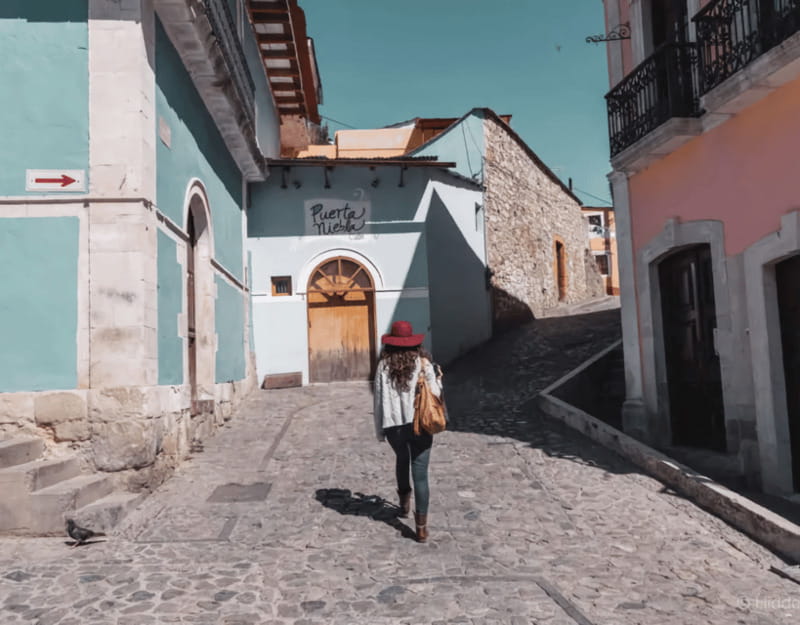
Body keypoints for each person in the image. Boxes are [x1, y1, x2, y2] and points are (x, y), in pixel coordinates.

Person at [373, 320, 442, 543]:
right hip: (420, 424)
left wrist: (380, 431)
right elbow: (435, 394)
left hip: (394, 426)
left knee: (402, 459)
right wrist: (438, 379)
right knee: (420, 473)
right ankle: (421, 528)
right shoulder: (423, 364)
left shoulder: (383, 366)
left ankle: (404, 505)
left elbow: (378, 401)